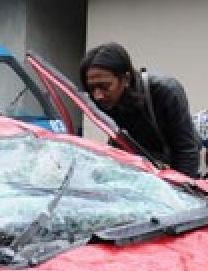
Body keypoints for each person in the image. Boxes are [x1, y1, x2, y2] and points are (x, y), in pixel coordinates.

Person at [78, 43, 200, 178]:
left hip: (174, 168)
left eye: (104, 86)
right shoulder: (103, 100)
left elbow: (187, 152)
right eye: (92, 88)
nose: (97, 95)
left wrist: (180, 192)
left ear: (126, 79)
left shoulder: (167, 91)